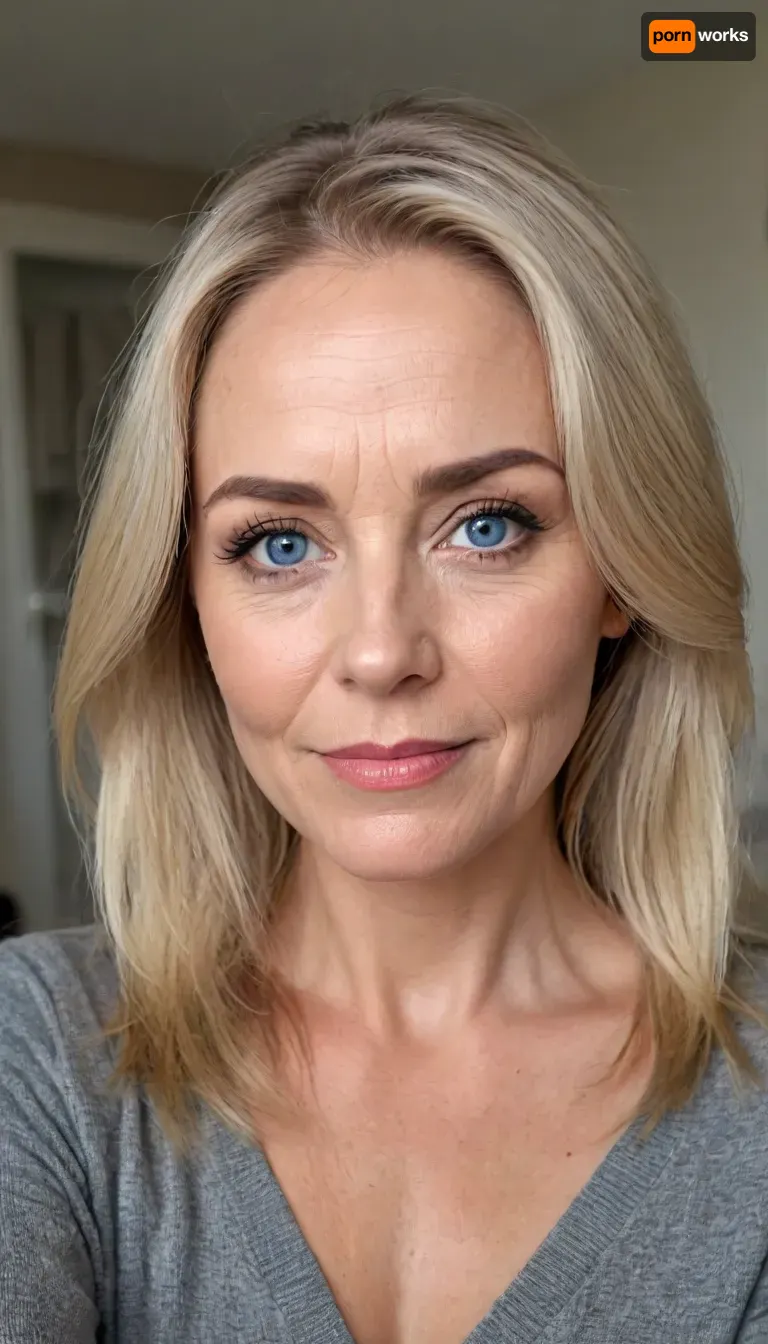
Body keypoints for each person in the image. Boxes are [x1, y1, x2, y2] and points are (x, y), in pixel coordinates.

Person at [0, 92, 766, 1344]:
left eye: (487, 524)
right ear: (184, 601)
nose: (378, 653)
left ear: (622, 570)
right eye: (280, 543)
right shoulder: (37, 1060)